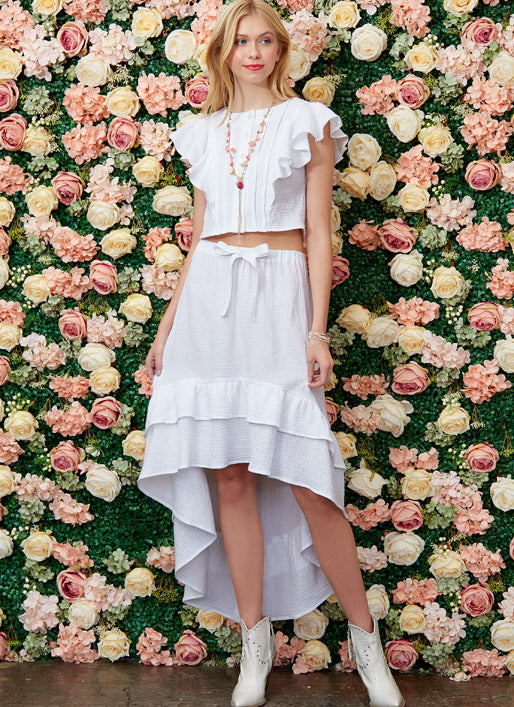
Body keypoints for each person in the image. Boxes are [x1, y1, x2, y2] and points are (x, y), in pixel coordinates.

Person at [137, 1, 404, 706]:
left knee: (310, 480)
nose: (252, 52)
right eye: (240, 41)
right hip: (209, 309)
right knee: (229, 477)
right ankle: (254, 644)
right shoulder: (199, 133)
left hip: (278, 301)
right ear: (223, 53)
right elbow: (198, 239)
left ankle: (367, 643)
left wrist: (316, 332)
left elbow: (319, 234)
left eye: (264, 41)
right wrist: (164, 333)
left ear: (281, 50)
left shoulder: (307, 122)